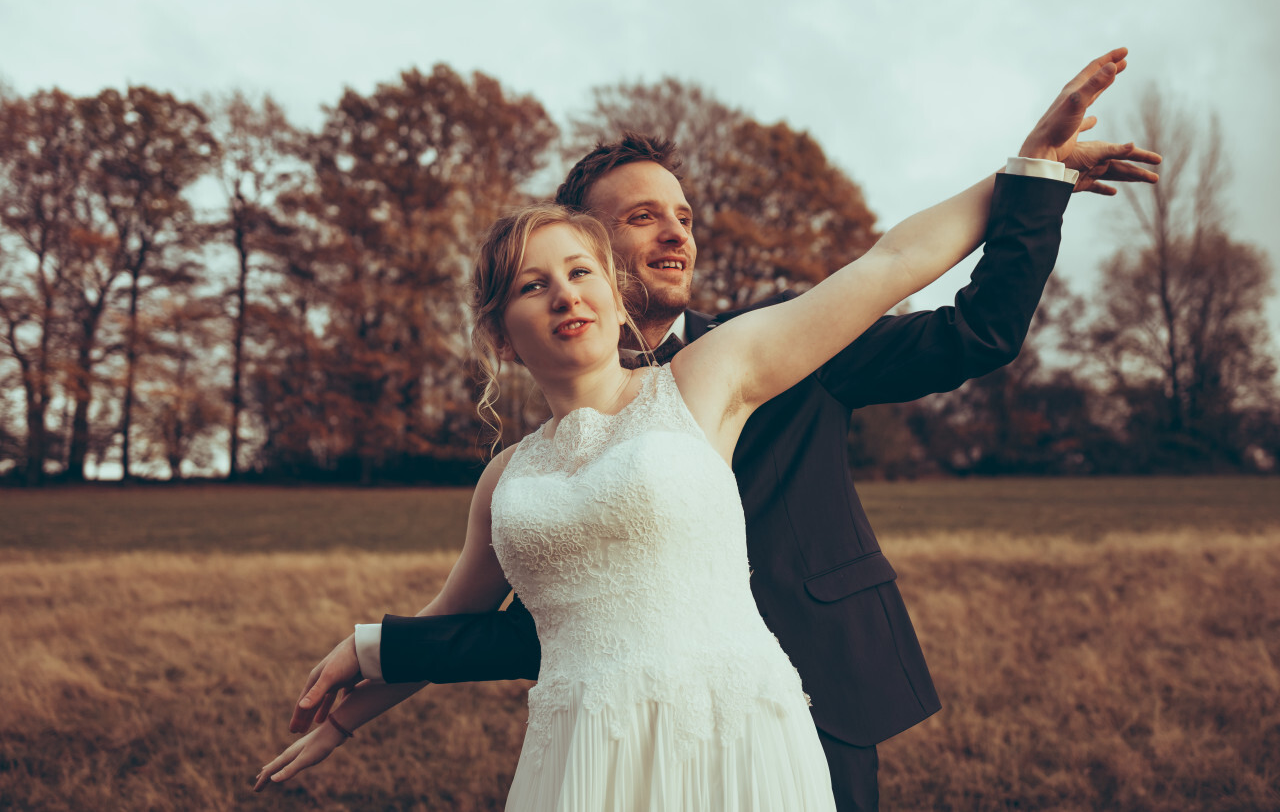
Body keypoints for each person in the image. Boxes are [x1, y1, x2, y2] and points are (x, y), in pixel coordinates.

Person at [256, 49, 1160, 809]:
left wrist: (1031, 170)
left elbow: (898, 270)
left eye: (683, 215)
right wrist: (350, 710)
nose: (674, 233)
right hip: (594, 743)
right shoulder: (511, 477)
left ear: (602, 282)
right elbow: (485, 622)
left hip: (784, 707)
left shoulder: (734, 363)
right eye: (641, 217)